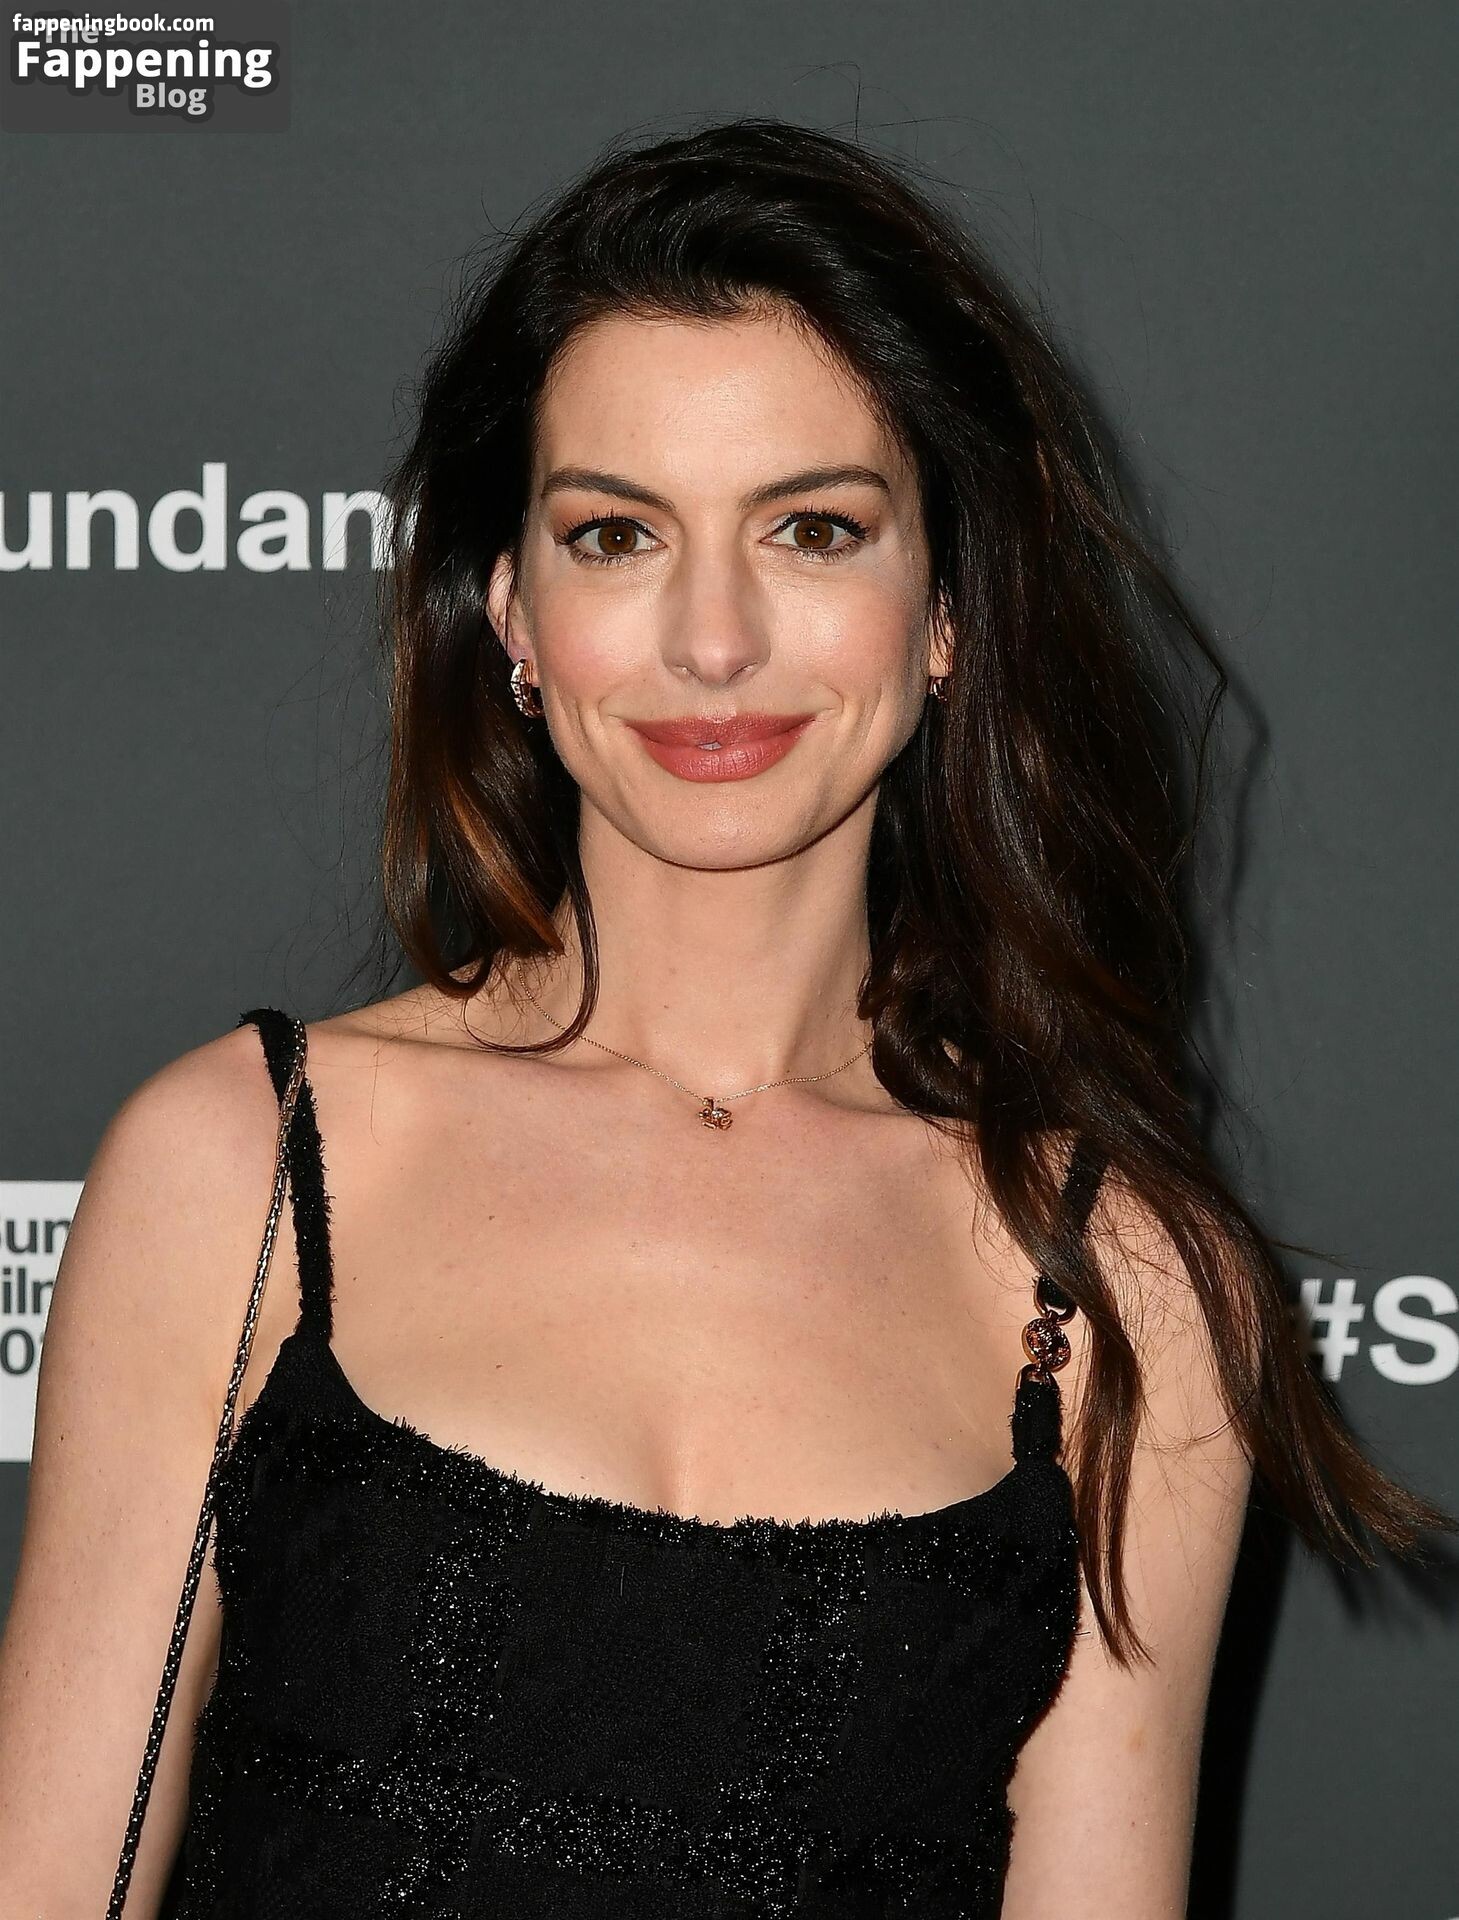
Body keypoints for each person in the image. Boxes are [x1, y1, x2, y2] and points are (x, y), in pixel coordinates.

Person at [0, 117, 1449, 1920]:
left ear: (947, 610)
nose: (712, 639)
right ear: (513, 609)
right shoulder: (241, 1169)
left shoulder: (1131, 1290)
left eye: (813, 530)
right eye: (616, 535)